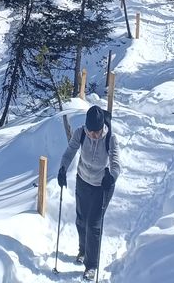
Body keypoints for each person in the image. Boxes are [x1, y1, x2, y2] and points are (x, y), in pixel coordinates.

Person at [57, 104, 120, 280]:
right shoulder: (81, 133)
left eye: (97, 132)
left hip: (103, 185)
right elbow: (69, 152)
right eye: (91, 132)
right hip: (83, 180)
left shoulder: (110, 138)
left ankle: (91, 266)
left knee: (93, 225)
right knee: (81, 219)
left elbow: (116, 164)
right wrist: (62, 169)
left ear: (102, 127)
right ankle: (83, 250)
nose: (93, 135)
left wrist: (112, 177)